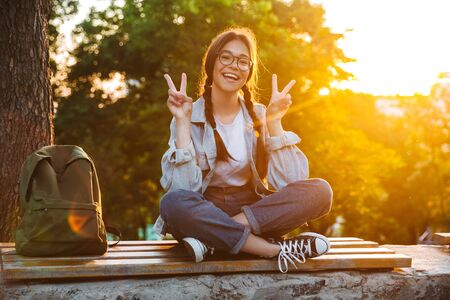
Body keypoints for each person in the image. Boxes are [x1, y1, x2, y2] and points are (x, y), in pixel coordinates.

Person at [154, 27, 333, 273]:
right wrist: (183, 122)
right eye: (226, 57)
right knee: (172, 203)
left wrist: (275, 122)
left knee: (320, 192)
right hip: (204, 210)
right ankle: (272, 250)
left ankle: (212, 241)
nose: (234, 66)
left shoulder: (259, 115)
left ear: (249, 71)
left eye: (243, 61)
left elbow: (291, 183)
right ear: (212, 64)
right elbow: (184, 191)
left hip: (254, 212)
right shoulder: (187, 115)